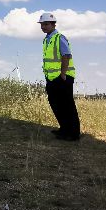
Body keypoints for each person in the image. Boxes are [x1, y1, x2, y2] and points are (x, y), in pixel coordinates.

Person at [38, 12, 80, 141]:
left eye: (46, 24)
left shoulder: (59, 37)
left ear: (53, 24)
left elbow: (66, 56)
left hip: (63, 77)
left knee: (67, 105)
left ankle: (73, 134)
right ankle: (64, 129)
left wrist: (63, 74)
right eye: (41, 24)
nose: (43, 27)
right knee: (56, 104)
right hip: (51, 78)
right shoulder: (47, 39)